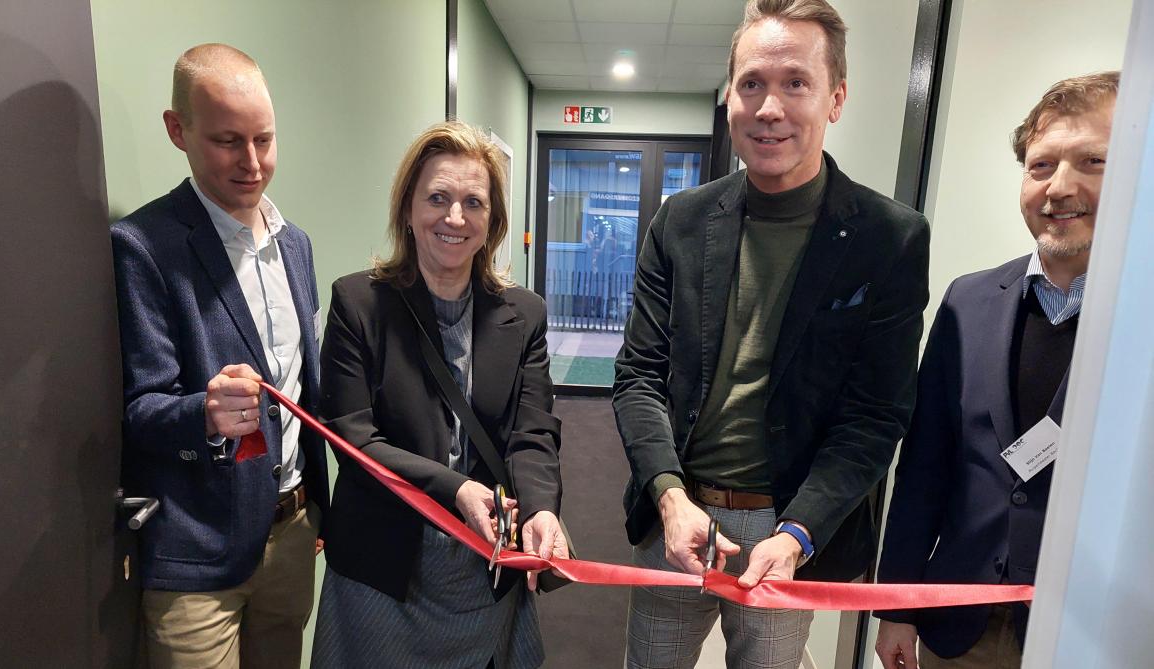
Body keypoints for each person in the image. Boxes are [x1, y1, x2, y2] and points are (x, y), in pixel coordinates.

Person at [612, 0, 931, 666]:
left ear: (835, 98)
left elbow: (876, 416)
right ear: (730, 95)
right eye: (751, 82)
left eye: (795, 83)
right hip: (680, 513)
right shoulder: (681, 220)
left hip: (790, 523)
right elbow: (640, 373)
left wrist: (797, 535)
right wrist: (668, 496)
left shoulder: (889, 239)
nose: (768, 107)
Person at [874, 71, 1119, 669]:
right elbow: (926, 464)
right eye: (1041, 166)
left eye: (1093, 161)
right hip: (959, 626)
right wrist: (897, 604)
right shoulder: (969, 300)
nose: (1060, 187)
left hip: (1097, 630)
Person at [310, 121, 567, 669]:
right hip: (383, 565)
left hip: (483, 563)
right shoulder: (358, 303)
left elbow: (532, 431)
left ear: (493, 220)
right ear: (408, 209)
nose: (455, 218)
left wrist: (542, 510)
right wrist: (457, 491)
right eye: (438, 198)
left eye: (474, 202)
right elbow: (355, 439)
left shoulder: (524, 315)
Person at [110, 44, 329, 668]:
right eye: (229, 141)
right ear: (178, 130)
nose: (253, 163)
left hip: (291, 536)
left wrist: (314, 509)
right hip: (196, 553)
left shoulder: (296, 246)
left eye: (265, 139)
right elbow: (137, 411)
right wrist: (203, 414)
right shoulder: (143, 248)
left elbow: (303, 387)